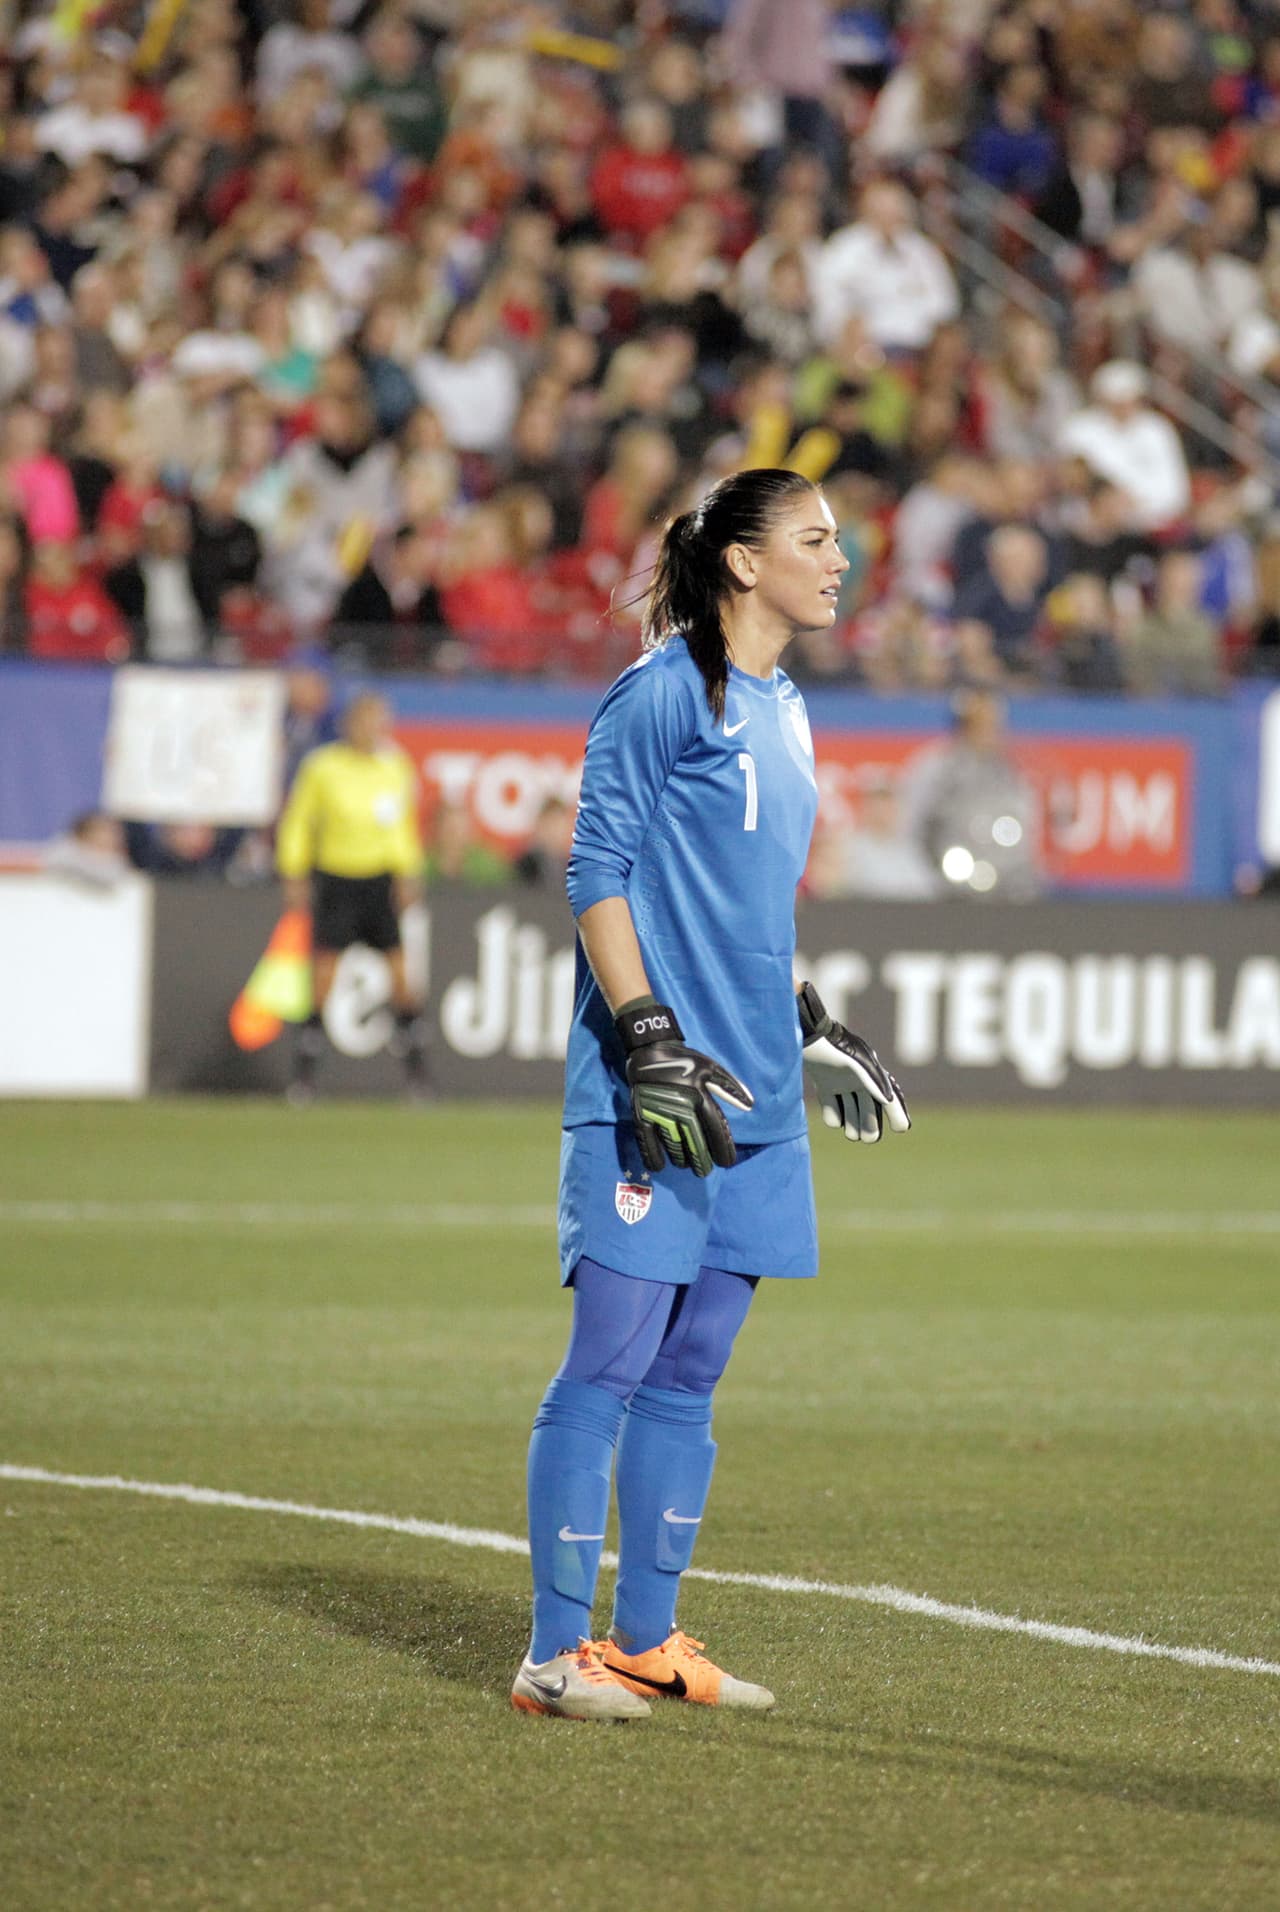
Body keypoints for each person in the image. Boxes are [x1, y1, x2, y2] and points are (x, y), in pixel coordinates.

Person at [512, 469, 911, 1724]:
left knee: (691, 1369)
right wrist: (640, 1034)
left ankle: (641, 1641)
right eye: (812, 540)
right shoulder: (663, 688)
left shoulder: (789, 708)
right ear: (742, 562)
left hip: (756, 1098)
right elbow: (596, 870)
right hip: (658, 1086)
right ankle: (548, 1655)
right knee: (610, 1361)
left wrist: (805, 1022)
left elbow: (753, 905)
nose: (836, 560)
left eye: (837, 541)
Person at [275, 692, 425, 1100]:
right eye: (369, 722)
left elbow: (402, 827)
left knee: (401, 980)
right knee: (323, 977)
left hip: (378, 881)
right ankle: (303, 1078)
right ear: (349, 724)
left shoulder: (394, 766)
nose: (376, 730)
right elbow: (299, 821)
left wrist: (408, 872)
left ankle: (417, 1075)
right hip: (337, 879)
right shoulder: (323, 767)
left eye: (382, 723)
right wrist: (294, 871)